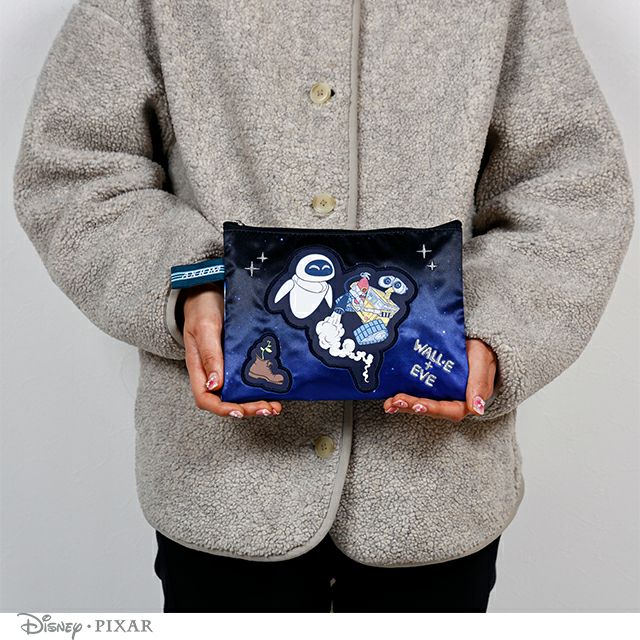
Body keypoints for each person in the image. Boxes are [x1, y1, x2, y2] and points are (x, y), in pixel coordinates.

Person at [13, 0, 634, 613]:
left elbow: (574, 193)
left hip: (436, 488)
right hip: (223, 484)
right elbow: (77, 173)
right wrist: (195, 285)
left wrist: (490, 332)